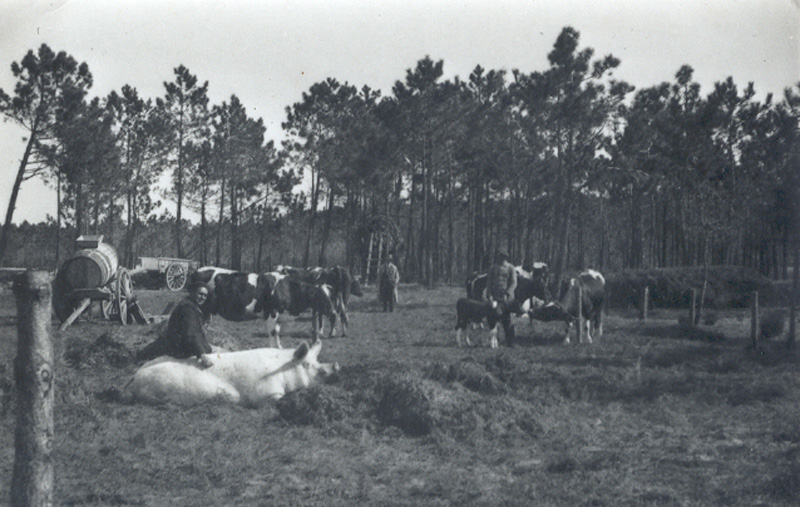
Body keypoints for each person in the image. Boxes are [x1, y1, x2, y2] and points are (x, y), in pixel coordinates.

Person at [137, 281, 214, 366]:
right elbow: (191, 333)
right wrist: (202, 354)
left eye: (205, 295)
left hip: (181, 342)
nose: (202, 297)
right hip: (179, 347)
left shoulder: (191, 305)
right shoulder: (188, 308)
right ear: (192, 292)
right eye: (200, 294)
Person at [483, 250, 518, 346]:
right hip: (495, 298)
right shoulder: (493, 268)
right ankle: (495, 340)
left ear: (506, 259)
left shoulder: (511, 268)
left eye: (504, 258)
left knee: (508, 320)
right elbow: (489, 283)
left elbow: (514, 283)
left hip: (507, 299)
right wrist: (489, 295)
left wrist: (507, 293)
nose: (502, 260)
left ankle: (510, 342)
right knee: (494, 318)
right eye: (500, 258)